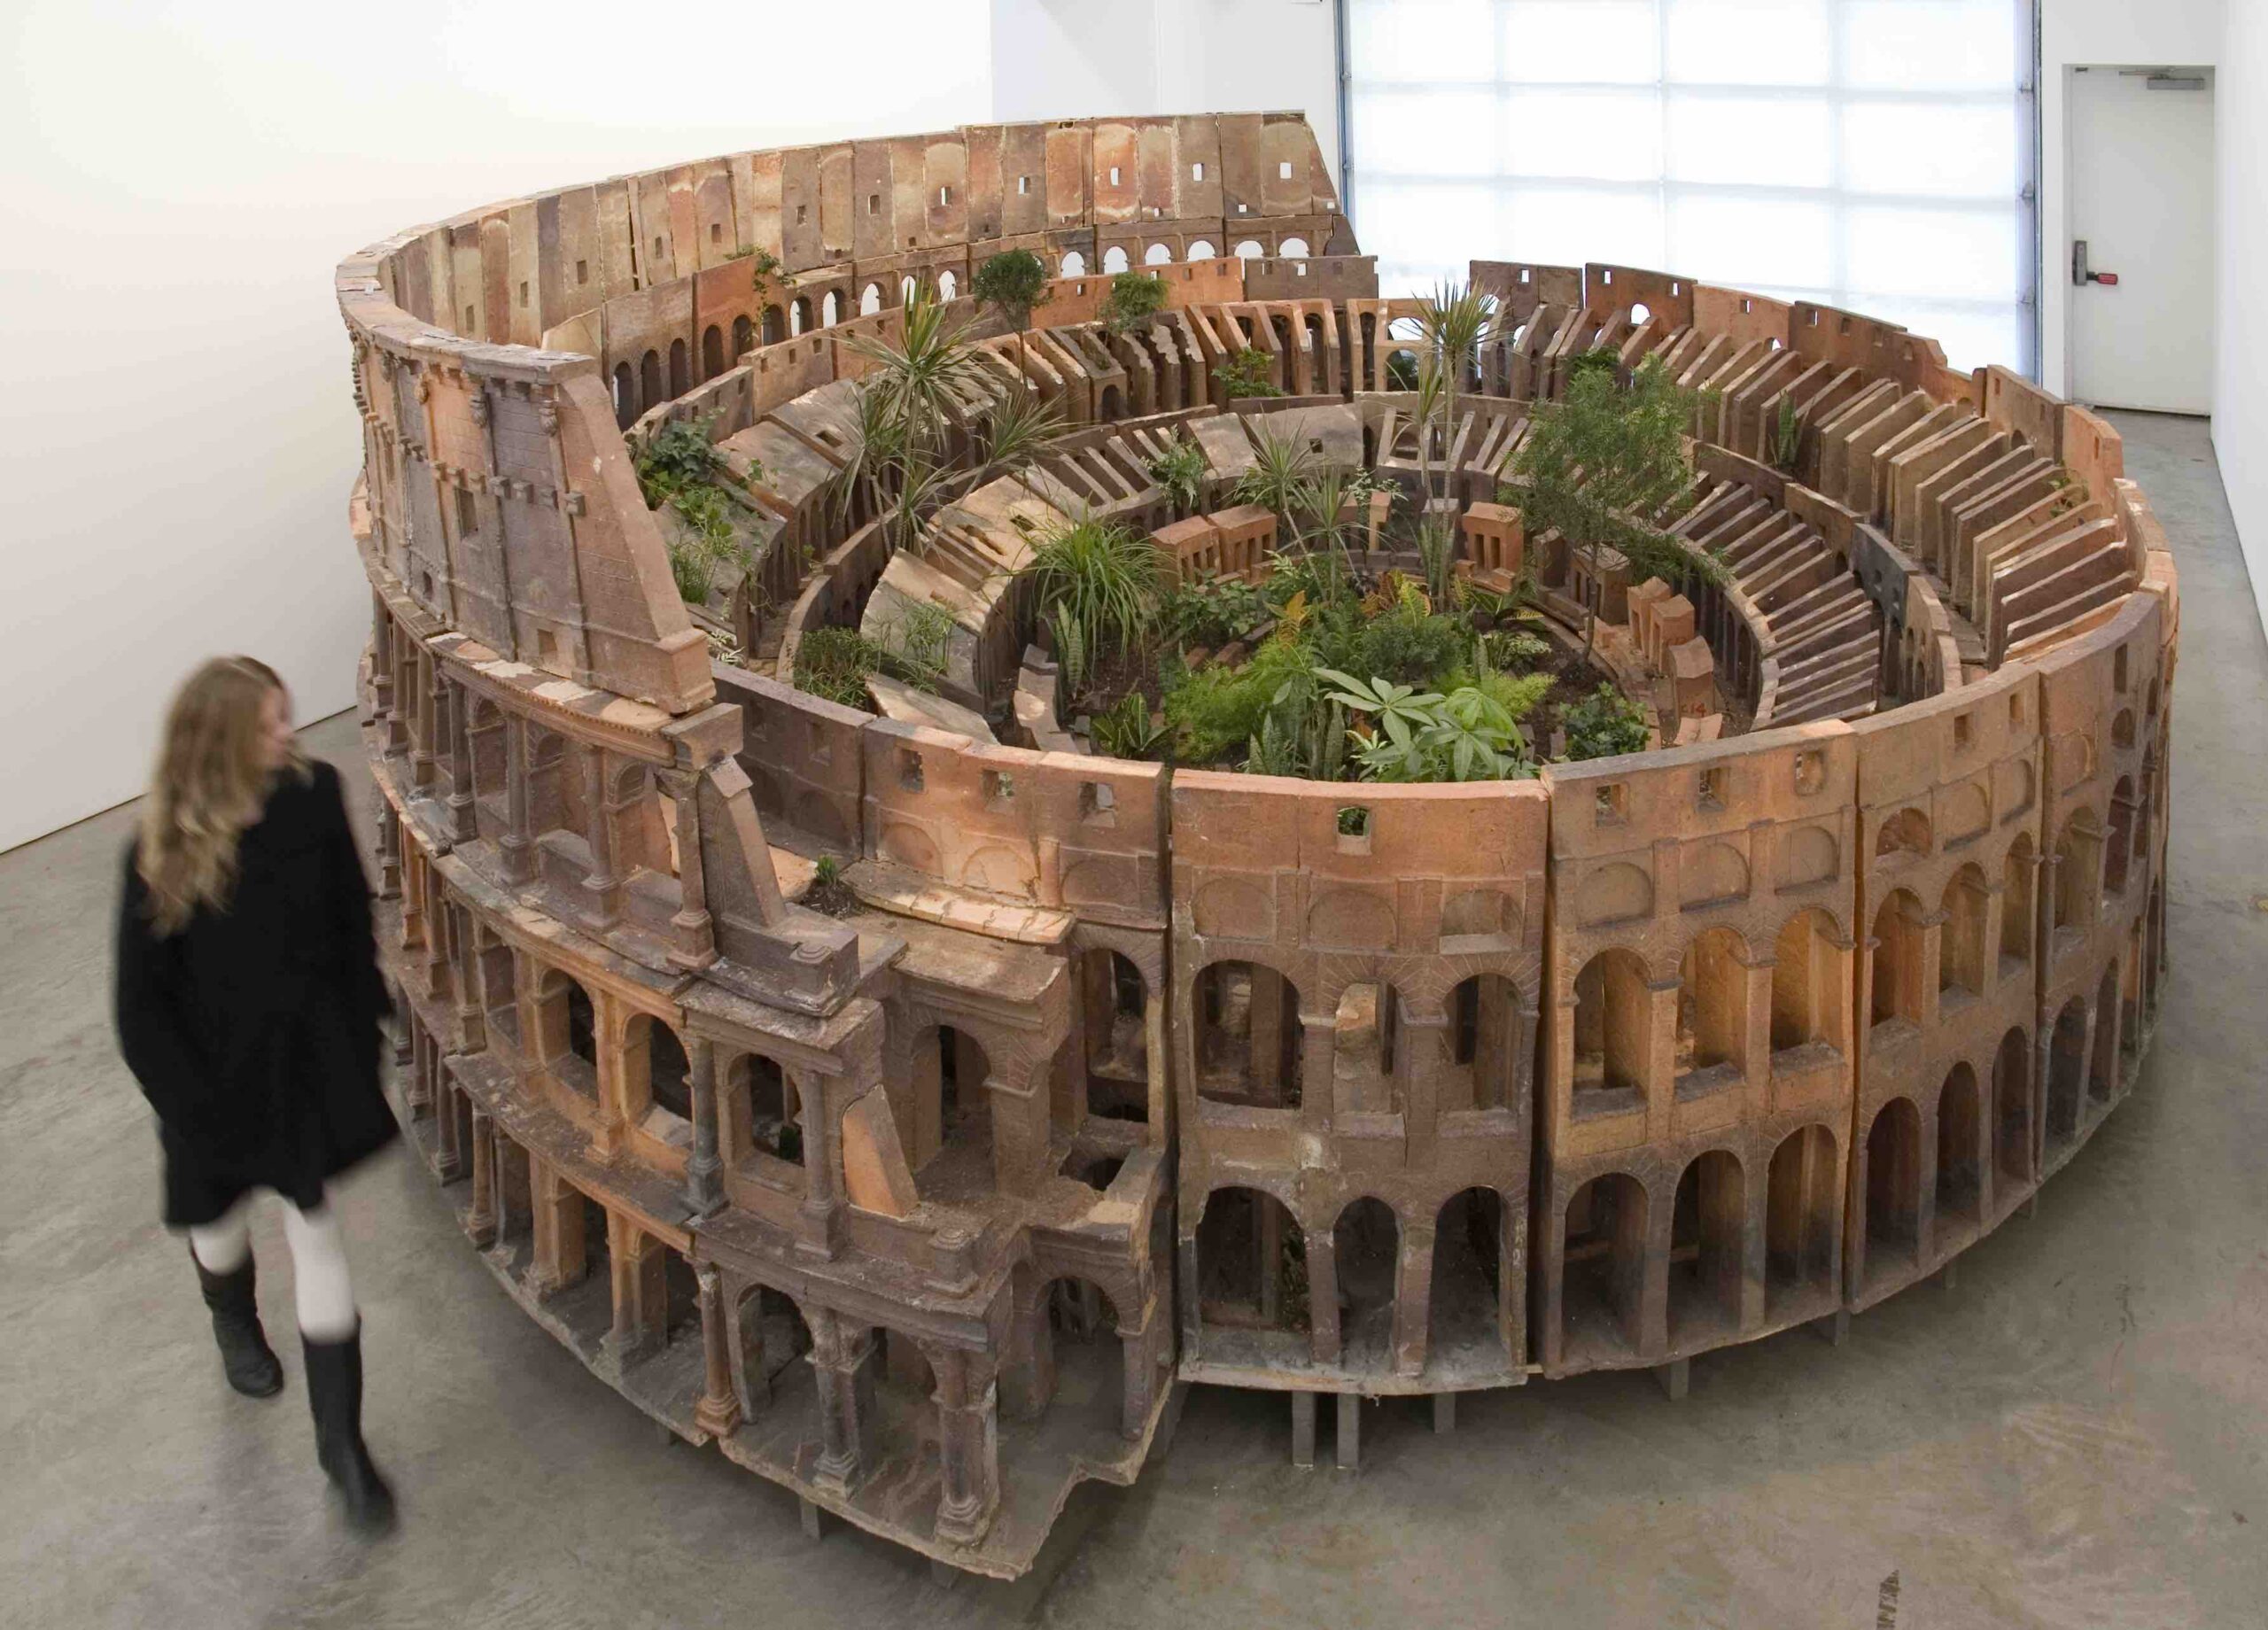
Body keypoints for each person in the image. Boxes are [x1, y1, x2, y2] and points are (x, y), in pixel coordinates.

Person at [113, 656, 399, 1534]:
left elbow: (351, 915)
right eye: (269, 722)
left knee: (317, 1231)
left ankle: (342, 1447)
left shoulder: (312, 796)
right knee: (218, 1221)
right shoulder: (157, 852)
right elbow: (140, 1009)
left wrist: (363, 1024)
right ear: (223, 740)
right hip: (206, 1082)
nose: (288, 731)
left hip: (301, 1066)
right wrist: (191, 1108)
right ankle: (232, 1319)